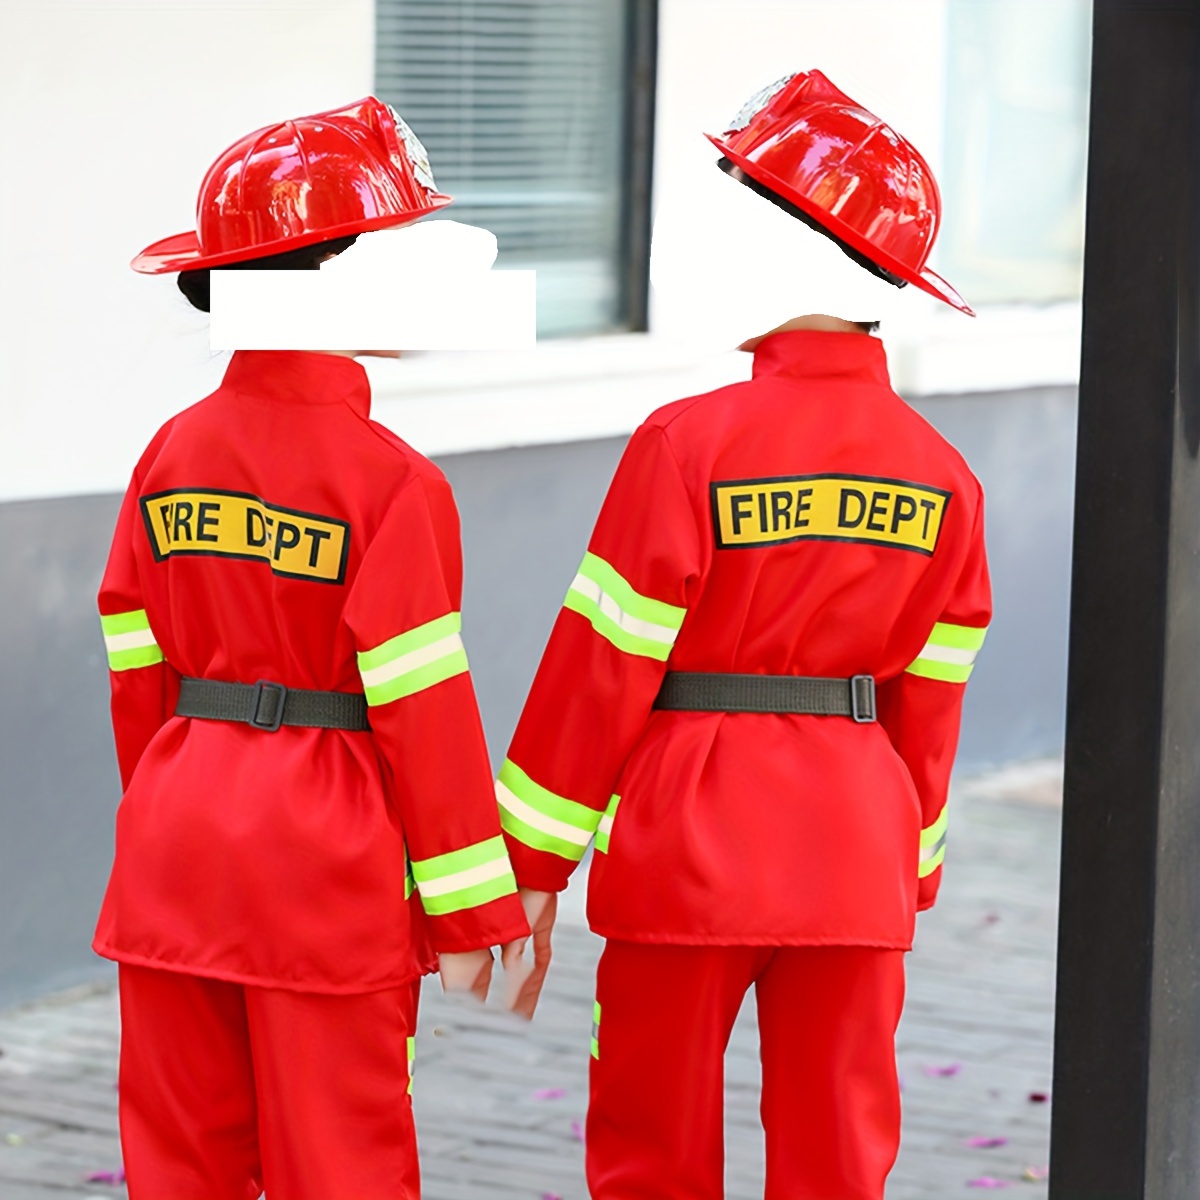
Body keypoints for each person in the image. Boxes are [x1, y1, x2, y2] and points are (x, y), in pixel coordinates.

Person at [497, 71, 992, 1199]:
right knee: (837, 1159)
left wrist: (527, 868)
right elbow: (933, 698)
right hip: (856, 851)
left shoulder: (686, 445)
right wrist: (905, 871)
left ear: (793, 253)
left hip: (690, 843)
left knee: (651, 1151)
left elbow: (601, 668)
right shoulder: (944, 477)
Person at [95, 97, 529, 1200]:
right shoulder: (392, 484)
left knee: (180, 1165)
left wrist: (171, 809)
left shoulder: (168, 455)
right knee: (341, 1166)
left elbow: (135, 667)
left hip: (176, 847)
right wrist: (471, 911)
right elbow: (422, 711)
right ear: (325, 277)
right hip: (325, 866)